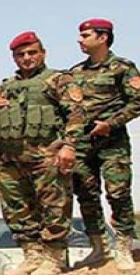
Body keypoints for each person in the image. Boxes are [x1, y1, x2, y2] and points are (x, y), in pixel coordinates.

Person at [0, 31, 84, 275]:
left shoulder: (58, 80)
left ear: (43, 53)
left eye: (32, 52)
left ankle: (53, 258)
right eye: (20, 54)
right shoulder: (7, 85)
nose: (26, 58)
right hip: (10, 157)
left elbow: (76, 114)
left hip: (47, 155)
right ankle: (31, 254)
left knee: (54, 206)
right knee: (15, 207)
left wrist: (70, 146)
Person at [69, 18, 140, 271]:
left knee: (118, 192)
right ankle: (98, 246)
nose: (80, 40)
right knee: (86, 194)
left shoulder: (122, 68)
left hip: (112, 142)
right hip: (82, 143)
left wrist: (110, 123)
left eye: (85, 35)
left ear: (103, 37)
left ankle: (123, 246)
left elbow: (137, 102)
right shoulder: (75, 72)